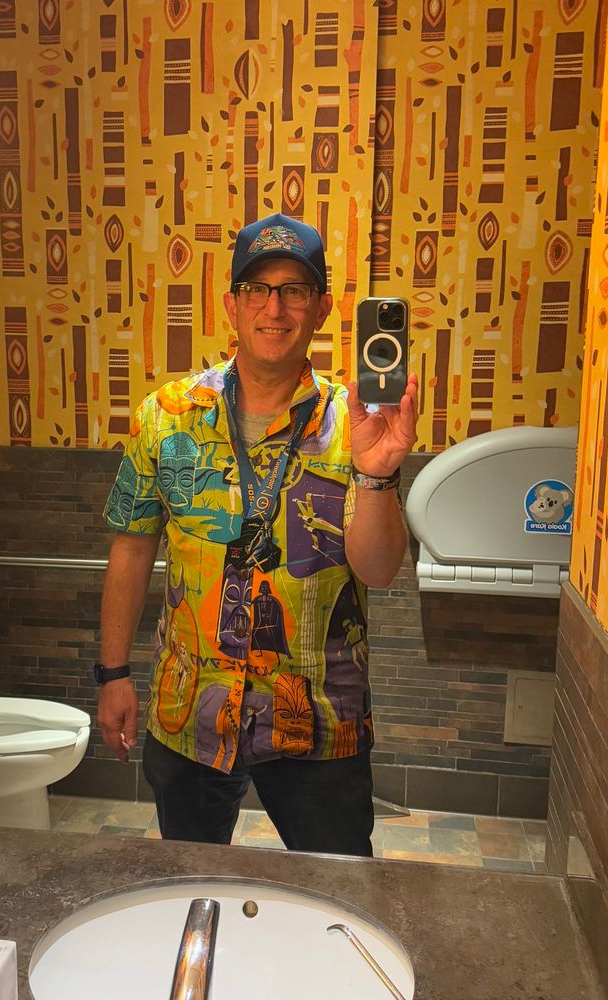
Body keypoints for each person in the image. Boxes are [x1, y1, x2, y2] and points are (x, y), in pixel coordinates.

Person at [97, 213, 418, 856]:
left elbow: (379, 571)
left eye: (294, 289)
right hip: (190, 712)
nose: (274, 308)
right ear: (232, 305)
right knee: (193, 883)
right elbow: (131, 547)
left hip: (318, 720)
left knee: (336, 893)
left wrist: (378, 473)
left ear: (321, 307)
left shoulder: (354, 423)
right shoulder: (167, 416)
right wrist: (112, 674)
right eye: (257, 289)